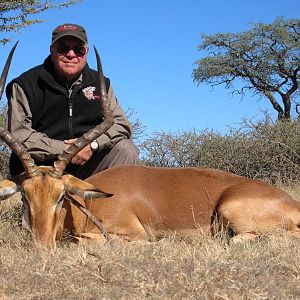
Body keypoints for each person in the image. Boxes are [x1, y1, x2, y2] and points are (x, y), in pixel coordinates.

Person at [6, 23, 139, 179]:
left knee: (126, 150)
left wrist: (92, 145)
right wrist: (66, 150)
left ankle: (111, 203)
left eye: (78, 49)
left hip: (86, 165)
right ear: (52, 50)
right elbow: (20, 135)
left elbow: (121, 125)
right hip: (42, 171)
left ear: (86, 52)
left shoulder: (101, 83)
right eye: (63, 48)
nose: (71, 54)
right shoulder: (25, 84)